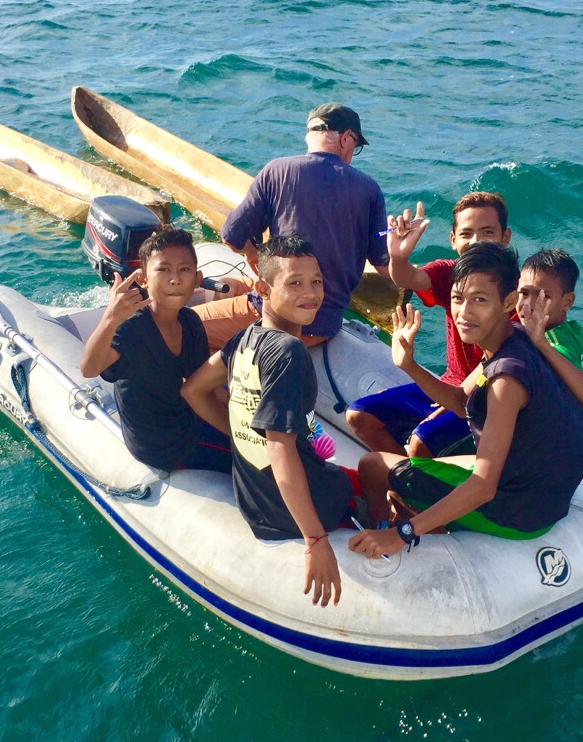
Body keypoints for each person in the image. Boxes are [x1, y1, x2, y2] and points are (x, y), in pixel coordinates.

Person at [348, 242, 583, 560]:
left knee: (373, 465)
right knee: (415, 466)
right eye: (458, 298)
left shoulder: (507, 381)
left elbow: (483, 486)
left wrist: (401, 534)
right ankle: (412, 516)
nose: (464, 312)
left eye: (479, 300)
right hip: (539, 493)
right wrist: (408, 365)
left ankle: (383, 543)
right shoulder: (514, 337)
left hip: (519, 512)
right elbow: (462, 401)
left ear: (508, 302)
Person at [182, 236, 355, 607]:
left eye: (316, 281)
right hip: (297, 512)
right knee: (373, 470)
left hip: (254, 503)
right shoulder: (289, 352)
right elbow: (279, 449)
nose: (310, 293)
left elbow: (193, 390)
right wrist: (315, 540)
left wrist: (238, 431)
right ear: (262, 289)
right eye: (295, 283)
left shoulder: (243, 339)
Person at [193, 102, 389, 351]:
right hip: (326, 323)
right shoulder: (370, 189)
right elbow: (384, 264)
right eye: (356, 145)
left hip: (280, 316)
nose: (353, 152)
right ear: (345, 138)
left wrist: (253, 255)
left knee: (178, 326)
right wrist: (399, 240)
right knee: (236, 285)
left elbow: (231, 237)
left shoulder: (277, 170)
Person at [346, 192, 512, 457]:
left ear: (505, 237)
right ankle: (405, 479)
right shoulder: (449, 273)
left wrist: (452, 401)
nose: (476, 241)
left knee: (420, 442)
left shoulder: (513, 294)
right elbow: (408, 278)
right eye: (467, 233)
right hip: (450, 385)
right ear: (453, 239)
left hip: (487, 402)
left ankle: (413, 480)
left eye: (488, 232)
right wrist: (398, 256)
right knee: (359, 416)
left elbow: (487, 373)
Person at [79, 226, 231, 475]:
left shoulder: (190, 322)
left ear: (197, 279)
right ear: (143, 280)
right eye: (164, 270)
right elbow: (89, 369)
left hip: (184, 416)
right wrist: (110, 318)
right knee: (251, 458)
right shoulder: (132, 329)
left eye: (184, 270)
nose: (175, 279)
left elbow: (205, 383)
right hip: (164, 444)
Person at [516, 248, 583, 409]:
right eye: (524, 293)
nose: (529, 304)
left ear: (567, 302)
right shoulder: (574, 332)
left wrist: (541, 344)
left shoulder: (552, 345)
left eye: (544, 296)